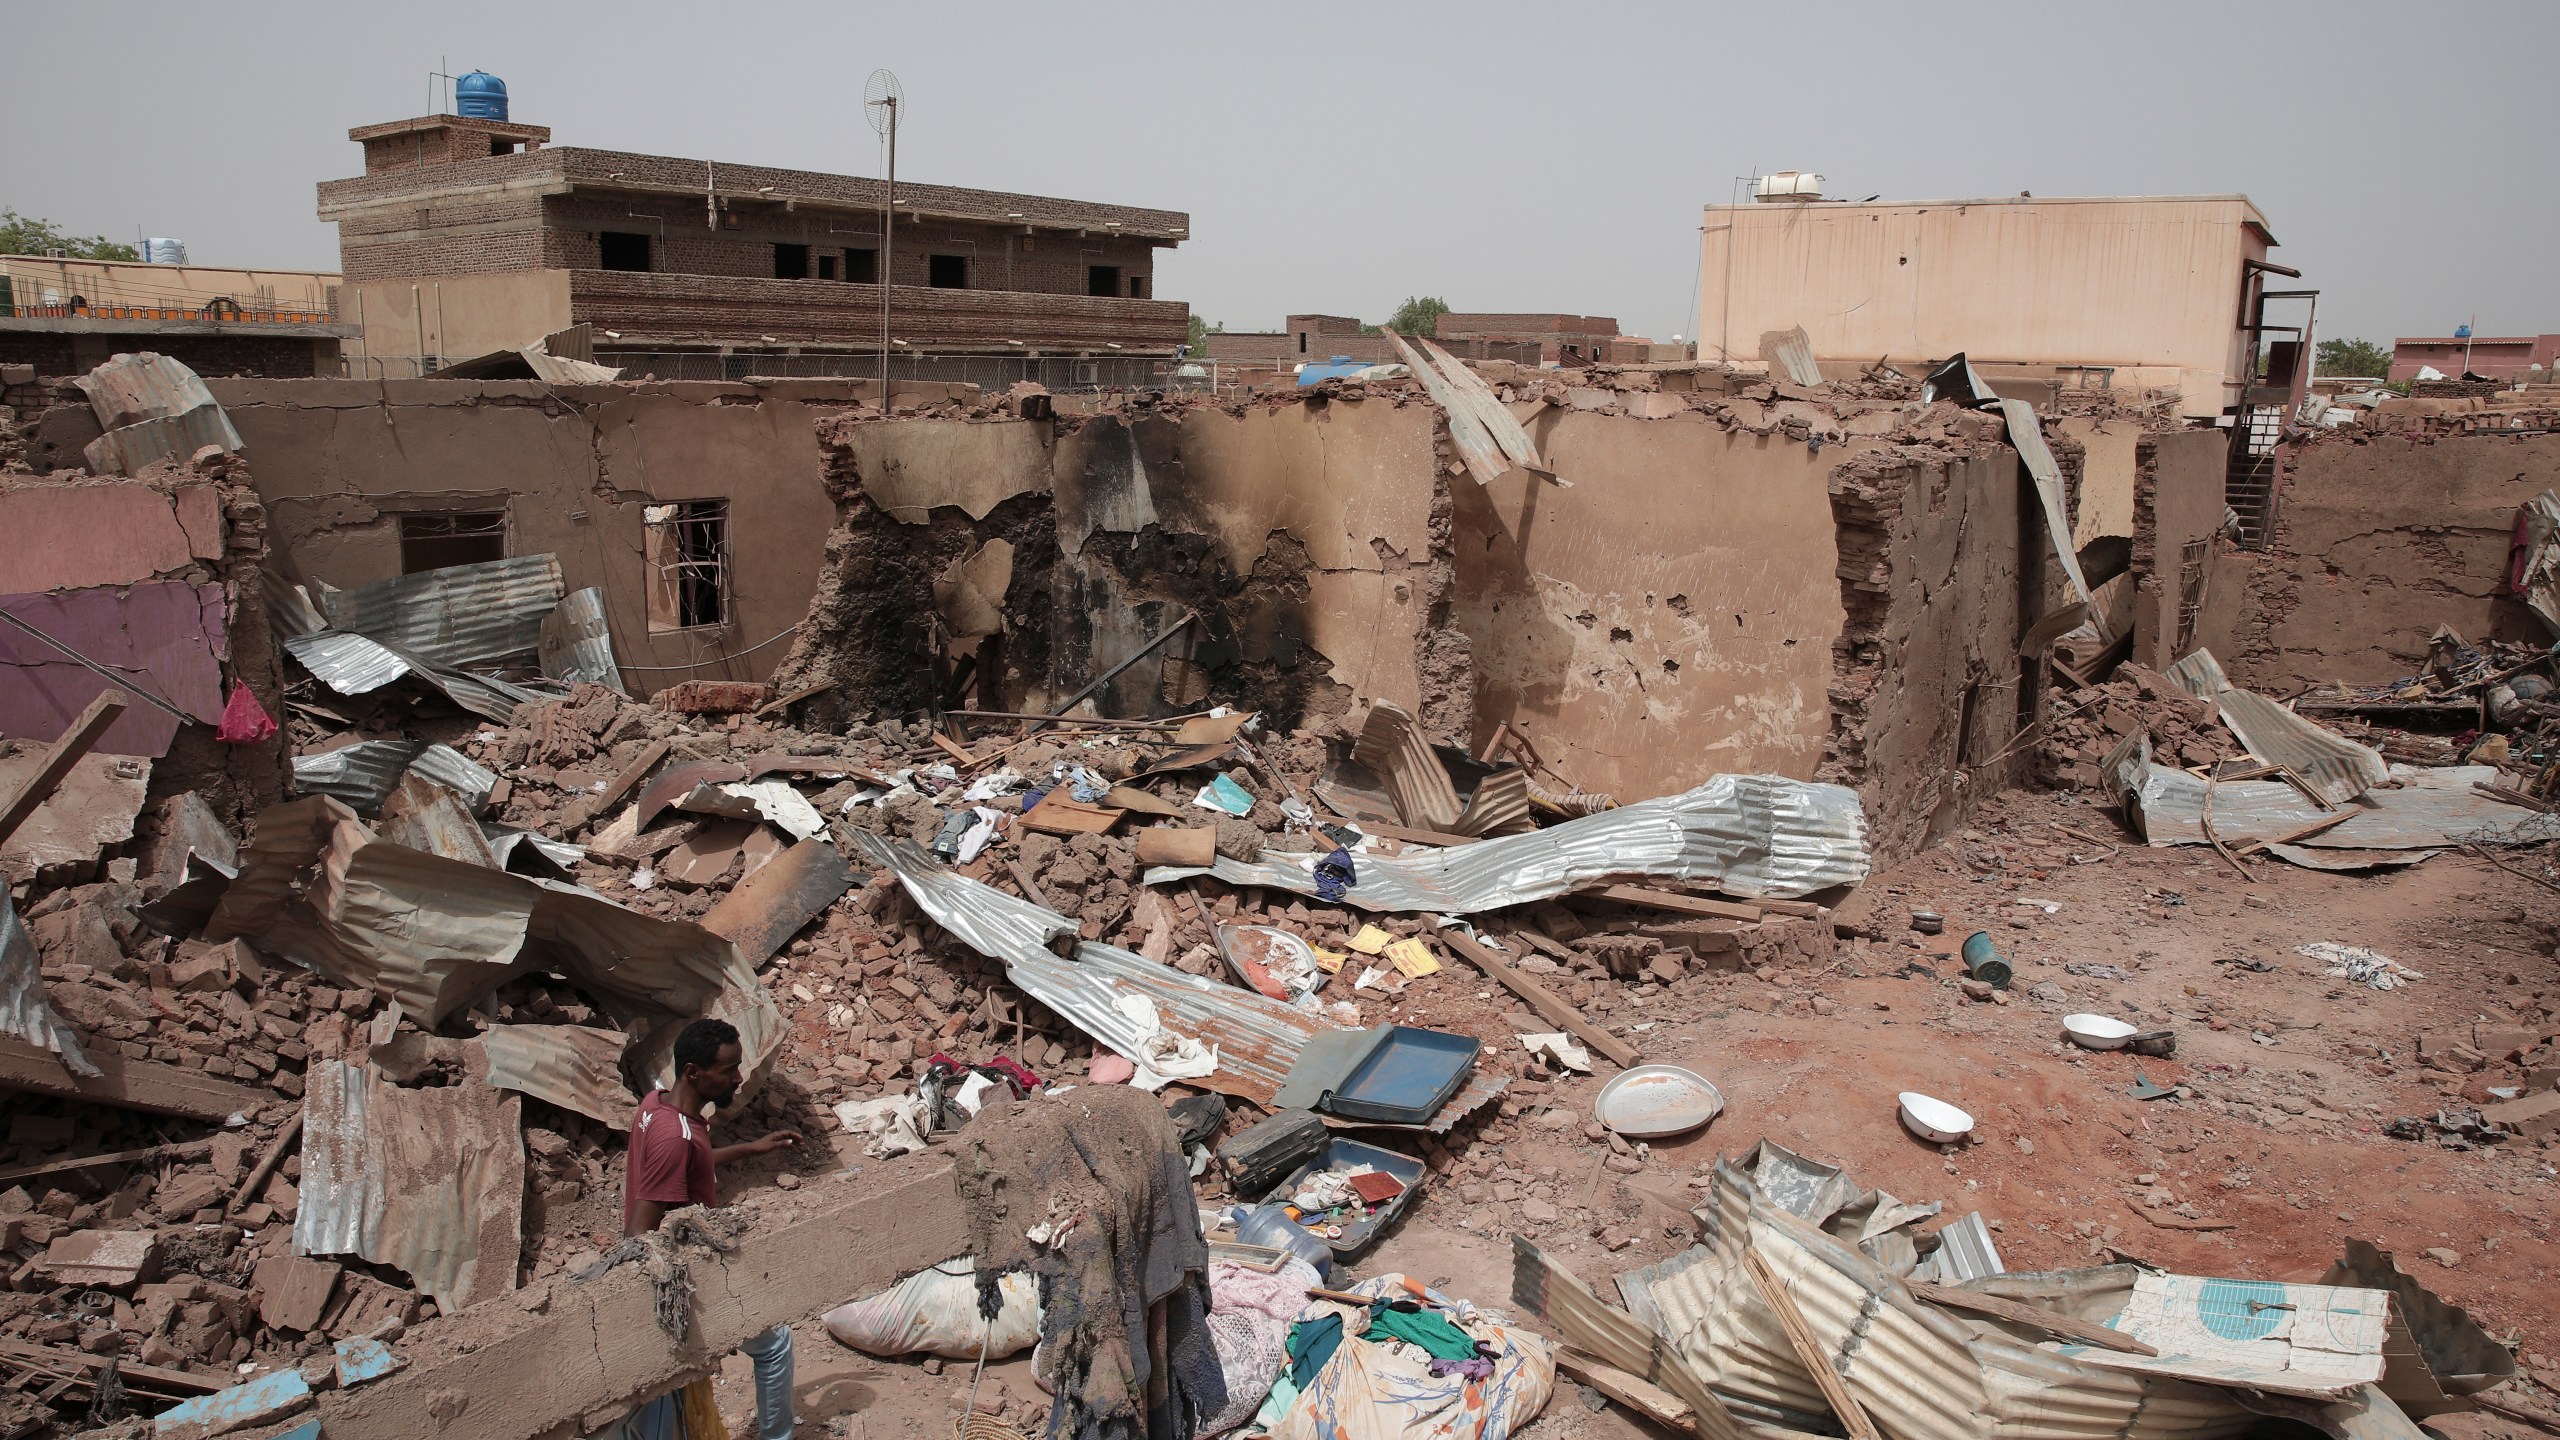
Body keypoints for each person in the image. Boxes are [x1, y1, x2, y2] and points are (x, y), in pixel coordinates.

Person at [621, 1018, 805, 1440]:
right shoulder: (676, 1136)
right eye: (728, 1070)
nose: (738, 1079)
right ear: (693, 1072)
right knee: (775, 1345)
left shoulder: (656, 1104)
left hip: (683, 1274)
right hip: (688, 1279)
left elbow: (688, 1161)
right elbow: (639, 1232)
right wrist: (670, 1300)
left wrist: (750, 1148)